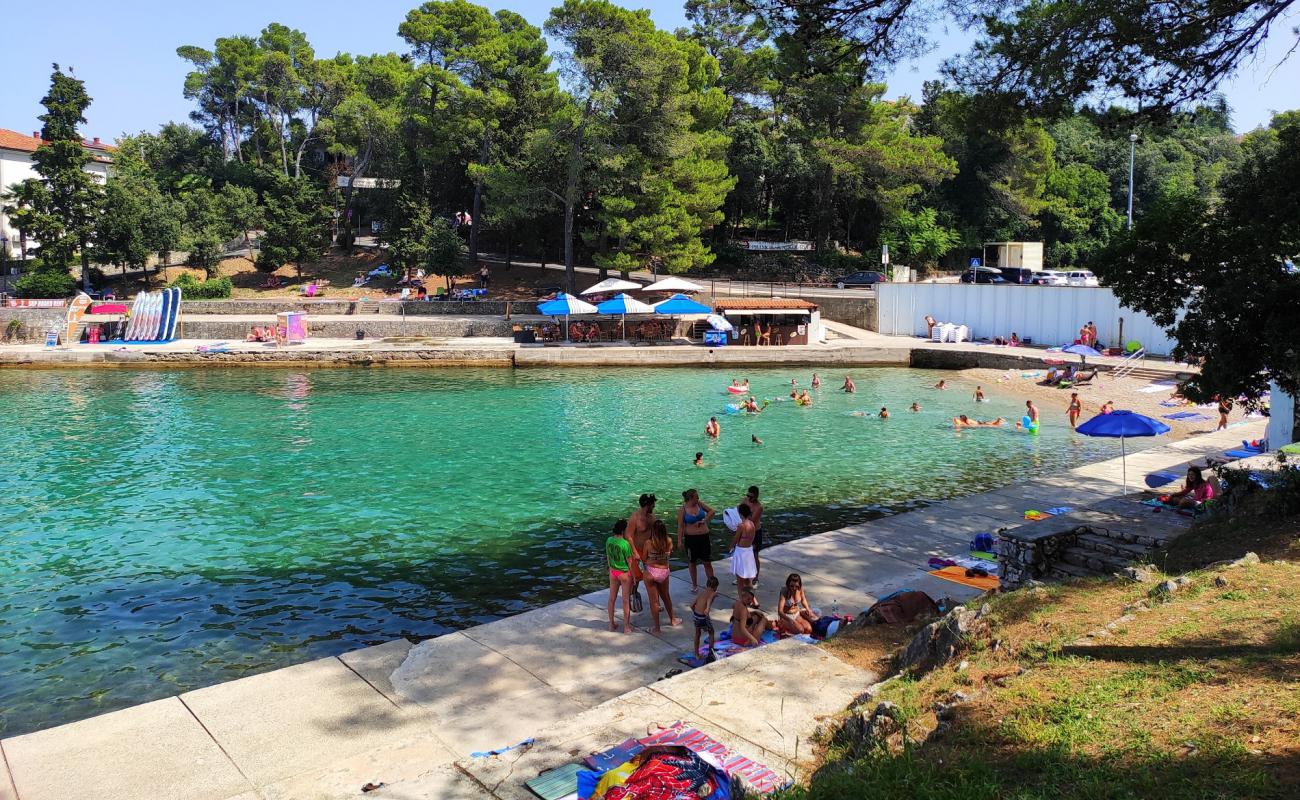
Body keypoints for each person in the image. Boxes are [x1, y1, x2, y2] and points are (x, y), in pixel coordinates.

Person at [642, 520, 681, 633]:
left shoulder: (648, 543)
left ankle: (657, 628)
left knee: (654, 601)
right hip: (663, 571)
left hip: (651, 572)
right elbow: (669, 554)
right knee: (666, 597)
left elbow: (644, 558)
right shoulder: (668, 541)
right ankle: (672, 620)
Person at [677, 489, 716, 593]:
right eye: (696, 497)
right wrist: (679, 541)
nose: (698, 498)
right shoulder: (683, 510)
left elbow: (712, 511)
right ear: (691, 498)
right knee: (692, 562)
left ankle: (712, 585)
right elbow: (680, 526)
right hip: (691, 539)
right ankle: (694, 585)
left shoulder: (699, 504)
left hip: (704, 537)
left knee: (707, 562)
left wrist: (705, 520)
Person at [626, 494, 658, 613]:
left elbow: (655, 532)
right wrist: (634, 552)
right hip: (637, 551)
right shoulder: (635, 518)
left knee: (653, 577)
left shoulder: (651, 517)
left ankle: (656, 603)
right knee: (636, 579)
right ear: (647, 505)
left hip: (649, 551)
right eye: (652, 504)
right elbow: (628, 536)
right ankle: (631, 598)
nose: (654, 506)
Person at [605, 520, 634, 633]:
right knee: (626, 601)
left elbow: (608, 556)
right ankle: (626, 627)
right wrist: (634, 577)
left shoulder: (609, 540)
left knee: (612, 599)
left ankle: (611, 624)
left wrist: (610, 568)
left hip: (613, 572)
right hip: (624, 573)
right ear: (623, 530)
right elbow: (629, 562)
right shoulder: (625, 544)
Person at [690, 576, 720, 661]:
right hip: (703, 616)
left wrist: (696, 613)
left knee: (697, 633)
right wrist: (707, 608)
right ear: (715, 587)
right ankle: (711, 652)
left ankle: (696, 654)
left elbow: (691, 605)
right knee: (711, 632)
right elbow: (710, 598)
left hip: (696, 615)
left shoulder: (702, 593)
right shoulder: (713, 593)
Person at [730, 502, 759, 592]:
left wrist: (731, 546)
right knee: (747, 579)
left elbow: (735, 539)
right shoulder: (752, 524)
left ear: (740, 514)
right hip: (749, 551)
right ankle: (754, 600)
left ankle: (741, 600)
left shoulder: (742, 526)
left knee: (740, 580)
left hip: (741, 552)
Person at [742, 486, 765, 584]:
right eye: (748, 496)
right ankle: (744, 577)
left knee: (754, 555)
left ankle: (755, 578)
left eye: (751, 497)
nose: (749, 499)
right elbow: (739, 510)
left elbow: (752, 520)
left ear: (756, 496)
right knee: (744, 554)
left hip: (755, 532)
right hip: (745, 531)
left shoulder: (759, 507)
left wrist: (743, 514)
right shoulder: (745, 500)